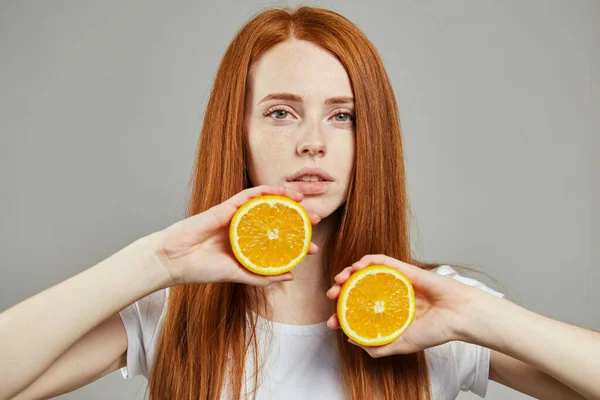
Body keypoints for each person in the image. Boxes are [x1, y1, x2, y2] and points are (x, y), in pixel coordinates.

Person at [0, 5, 598, 400]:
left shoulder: (425, 311)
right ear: (238, 134)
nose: (313, 140)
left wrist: (475, 314)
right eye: (281, 112)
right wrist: (154, 262)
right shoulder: (174, 311)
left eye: (343, 116)